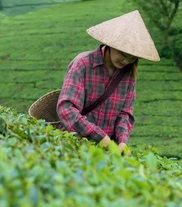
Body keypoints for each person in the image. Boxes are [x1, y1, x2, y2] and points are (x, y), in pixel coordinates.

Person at [56, 10, 160, 155]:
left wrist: (122, 141)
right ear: (111, 44)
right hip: (73, 145)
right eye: (123, 55)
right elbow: (66, 109)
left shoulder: (128, 75)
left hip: (106, 151)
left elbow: (125, 114)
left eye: (132, 58)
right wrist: (99, 136)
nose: (126, 61)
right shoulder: (83, 64)